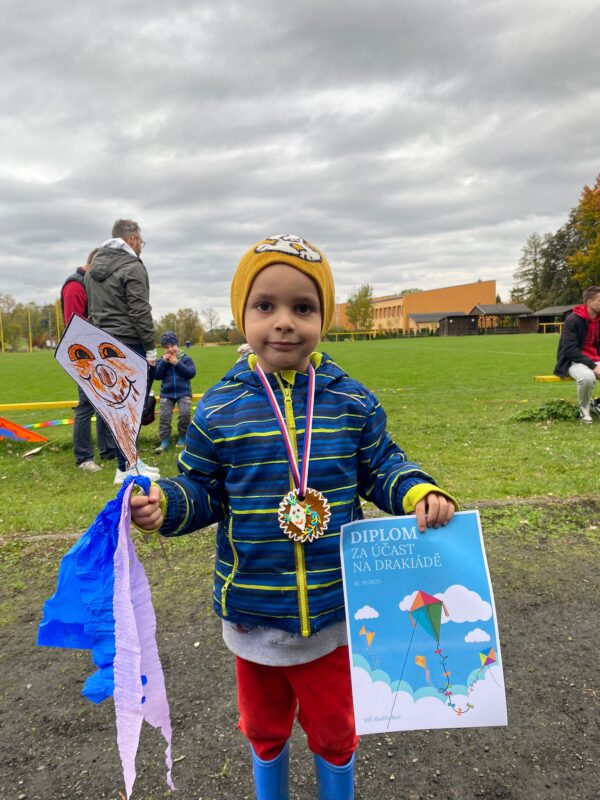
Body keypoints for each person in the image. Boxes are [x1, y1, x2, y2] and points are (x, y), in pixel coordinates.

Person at [130, 234, 456, 800]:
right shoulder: (220, 409)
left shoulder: (352, 401)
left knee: (335, 732)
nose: (284, 322)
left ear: (323, 318)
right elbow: (202, 489)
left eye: (303, 307)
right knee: (263, 729)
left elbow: (382, 465)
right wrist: (167, 504)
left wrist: (417, 491)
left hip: (334, 613)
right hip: (253, 614)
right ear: (243, 316)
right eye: (265, 305)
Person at [85, 219, 160, 483]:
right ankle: (127, 465)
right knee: (133, 406)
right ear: (132, 240)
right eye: (141, 242)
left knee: (120, 406)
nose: (141, 247)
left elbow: (93, 311)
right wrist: (150, 348)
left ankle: (128, 462)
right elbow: (140, 311)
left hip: (103, 343)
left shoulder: (93, 270)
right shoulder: (132, 266)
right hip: (130, 342)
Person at [60, 248, 118, 471]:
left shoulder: (91, 284)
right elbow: (74, 325)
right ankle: (83, 458)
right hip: (82, 354)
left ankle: (109, 451)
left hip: (96, 352)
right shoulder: (75, 285)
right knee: (86, 404)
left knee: (104, 401)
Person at [554, 286, 600, 423]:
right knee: (587, 378)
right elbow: (569, 350)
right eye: (599, 300)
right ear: (589, 302)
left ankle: (597, 403)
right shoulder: (573, 320)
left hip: (595, 359)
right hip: (574, 362)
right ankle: (584, 408)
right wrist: (593, 366)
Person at [154, 331, 196, 453]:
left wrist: (177, 363)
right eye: (166, 347)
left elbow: (191, 373)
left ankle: (183, 438)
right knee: (164, 417)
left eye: (172, 345)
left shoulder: (186, 359)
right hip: (167, 394)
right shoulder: (161, 361)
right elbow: (157, 375)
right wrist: (164, 362)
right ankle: (164, 442)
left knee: (184, 415)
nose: (170, 349)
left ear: (177, 345)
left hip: (184, 393)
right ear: (163, 349)